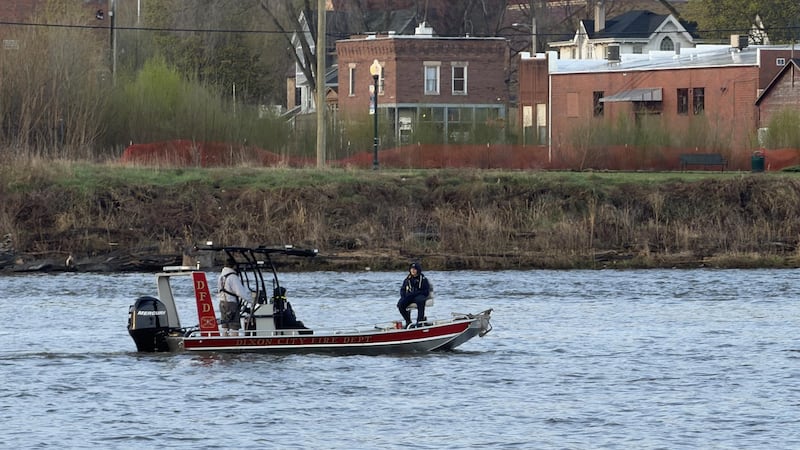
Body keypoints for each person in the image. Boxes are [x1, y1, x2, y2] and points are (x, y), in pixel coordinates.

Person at [217, 256, 250, 336]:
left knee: (225, 325)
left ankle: (224, 342)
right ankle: (235, 343)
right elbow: (240, 292)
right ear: (234, 266)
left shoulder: (221, 276)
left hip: (222, 303)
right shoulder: (233, 277)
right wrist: (251, 300)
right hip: (231, 304)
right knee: (234, 326)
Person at [397, 262, 431, 327]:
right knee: (400, 304)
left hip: (419, 295)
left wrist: (417, 293)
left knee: (420, 301)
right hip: (409, 296)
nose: (413, 270)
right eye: (411, 269)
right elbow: (403, 289)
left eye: (415, 269)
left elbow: (426, 291)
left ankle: (420, 322)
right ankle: (408, 321)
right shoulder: (407, 279)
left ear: (418, 270)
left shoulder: (423, 279)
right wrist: (403, 296)